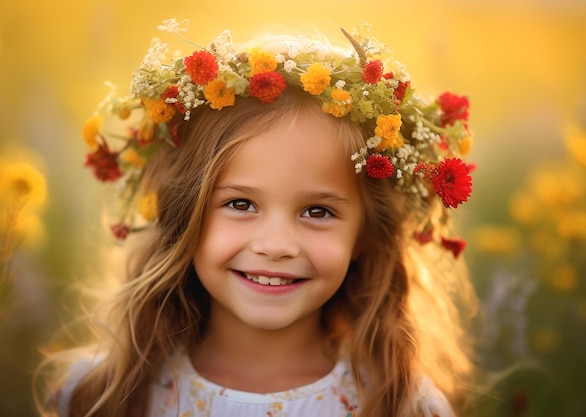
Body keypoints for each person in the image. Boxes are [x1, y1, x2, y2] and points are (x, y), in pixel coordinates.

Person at [36, 18, 479, 417]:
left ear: (365, 233)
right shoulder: (101, 396)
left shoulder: (401, 407)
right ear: (185, 210)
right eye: (241, 204)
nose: (276, 244)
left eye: (317, 211)